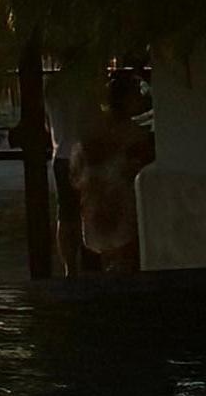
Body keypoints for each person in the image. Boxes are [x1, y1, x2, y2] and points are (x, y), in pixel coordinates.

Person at [62, 61, 158, 278]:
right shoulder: (134, 136)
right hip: (119, 208)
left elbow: (76, 174)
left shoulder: (92, 133)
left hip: (95, 207)